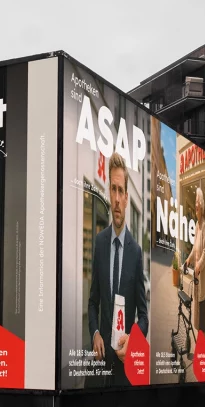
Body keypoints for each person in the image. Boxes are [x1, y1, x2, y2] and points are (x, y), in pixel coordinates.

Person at [87, 152, 149, 386]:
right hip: (100, 364)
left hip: (125, 367)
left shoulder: (136, 252)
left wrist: (134, 339)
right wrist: (94, 334)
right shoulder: (100, 243)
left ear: (126, 197)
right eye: (112, 189)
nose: (115, 198)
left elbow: (144, 316)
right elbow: (93, 302)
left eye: (120, 190)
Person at [183, 186, 205, 339]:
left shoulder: (204, 225)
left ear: (202, 206)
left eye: (198, 201)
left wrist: (198, 265)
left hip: (202, 279)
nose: (196, 204)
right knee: (197, 318)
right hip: (197, 277)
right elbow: (195, 248)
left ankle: (202, 346)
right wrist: (188, 259)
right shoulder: (198, 225)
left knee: (203, 321)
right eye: (196, 201)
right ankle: (200, 345)